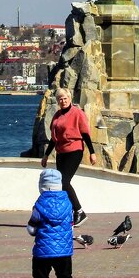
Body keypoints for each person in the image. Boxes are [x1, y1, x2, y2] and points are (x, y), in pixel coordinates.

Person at [41, 88, 96, 225]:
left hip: (75, 150)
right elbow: (54, 139)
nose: (63, 101)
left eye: (65, 98)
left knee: (64, 182)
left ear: (70, 98)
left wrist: (92, 152)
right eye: (60, 99)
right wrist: (46, 155)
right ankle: (70, 212)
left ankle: (79, 211)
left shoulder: (77, 113)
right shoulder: (57, 115)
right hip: (61, 152)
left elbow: (85, 134)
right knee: (61, 184)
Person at [27, 168, 74, 278]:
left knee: (41, 277)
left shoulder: (39, 206)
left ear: (41, 186)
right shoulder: (68, 204)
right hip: (64, 251)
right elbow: (71, 226)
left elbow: (31, 228)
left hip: (43, 250)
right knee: (65, 276)